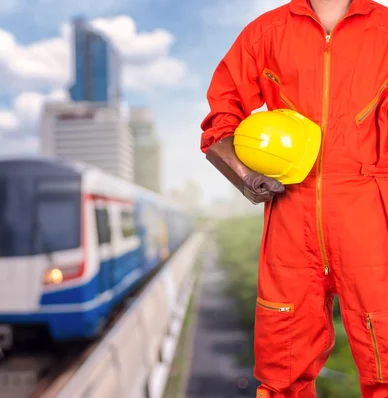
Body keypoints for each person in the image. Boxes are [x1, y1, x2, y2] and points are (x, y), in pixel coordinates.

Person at [200, 0, 388, 397]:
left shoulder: (385, 29)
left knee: (385, 361)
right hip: (290, 214)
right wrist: (245, 174)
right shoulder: (266, 33)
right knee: (282, 371)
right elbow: (222, 115)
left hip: (372, 215)